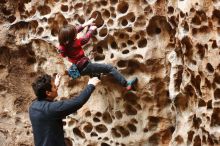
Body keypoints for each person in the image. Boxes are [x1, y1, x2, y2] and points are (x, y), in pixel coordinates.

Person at [57, 18, 137, 91]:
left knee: (96, 73)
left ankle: (96, 78)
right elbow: (85, 39)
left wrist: (85, 24)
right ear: (72, 38)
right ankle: (126, 84)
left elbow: (72, 33)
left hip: (79, 69)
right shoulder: (75, 43)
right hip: (86, 66)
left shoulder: (63, 46)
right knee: (109, 68)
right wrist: (91, 30)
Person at [29, 73, 100, 146]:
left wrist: (54, 86)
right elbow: (78, 101)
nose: (56, 88)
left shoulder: (33, 106)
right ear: (48, 93)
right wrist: (91, 85)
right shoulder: (51, 109)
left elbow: (45, 99)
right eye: (54, 87)